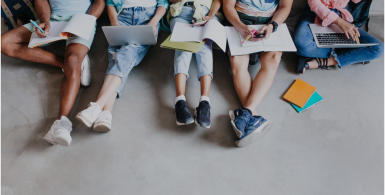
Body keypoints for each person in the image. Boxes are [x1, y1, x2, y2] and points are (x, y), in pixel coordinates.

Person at [0, 0, 105, 146]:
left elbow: (100, 2)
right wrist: (45, 21)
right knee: (4, 43)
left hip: (82, 20)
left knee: (73, 60)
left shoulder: (84, 19)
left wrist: (83, 22)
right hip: (54, 22)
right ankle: (67, 65)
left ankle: (62, 123)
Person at [76, 0, 169, 132]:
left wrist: (153, 22)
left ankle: (97, 106)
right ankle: (105, 114)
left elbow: (163, 3)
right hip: (121, 17)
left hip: (146, 18)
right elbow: (110, 2)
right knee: (116, 59)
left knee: (126, 55)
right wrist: (114, 22)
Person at [223, 0, 293, 147]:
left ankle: (246, 112)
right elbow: (228, 6)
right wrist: (240, 26)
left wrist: (272, 26)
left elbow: (285, 6)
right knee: (237, 60)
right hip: (240, 18)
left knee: (274, 58)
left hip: (271, 21)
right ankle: (253, 115)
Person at [168, 0, 222, 128]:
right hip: (181, 12)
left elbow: (218, 1)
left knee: (205, 50)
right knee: (183, 49)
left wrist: (210, 16)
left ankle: (205, 101)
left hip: (207, 13)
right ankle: (180, 100)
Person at [294, 0, 384, 74]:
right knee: (302, 46)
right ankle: (353, 55)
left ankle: (325, 61)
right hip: (314, 13)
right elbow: (314, 3)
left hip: (340, 14)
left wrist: (341, 21)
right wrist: (340, 22)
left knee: (378, 48)